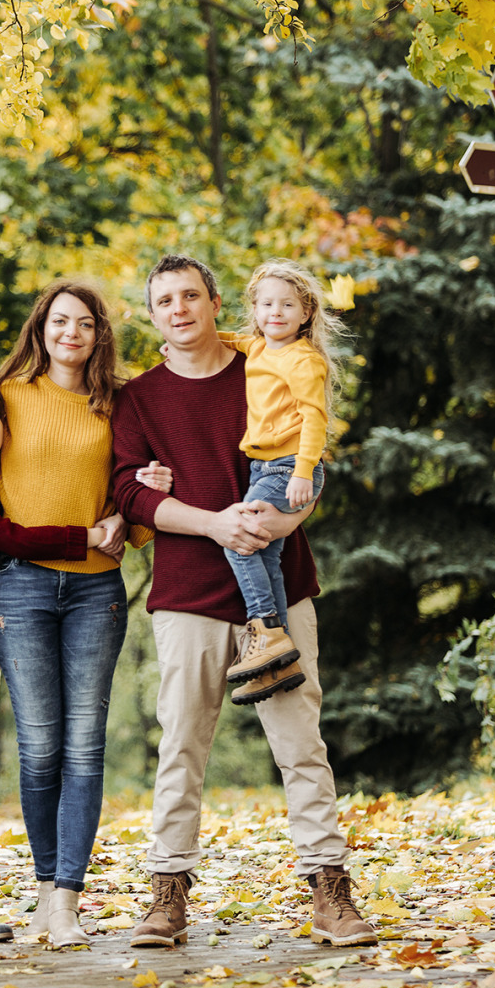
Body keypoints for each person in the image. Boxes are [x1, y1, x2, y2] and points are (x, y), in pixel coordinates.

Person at [111, 254, 376, 950]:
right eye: (164, 299)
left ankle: (330, 889)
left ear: (215, 302)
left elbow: (305, 468)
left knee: (300, 745)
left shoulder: (266, 363)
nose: (178, 308)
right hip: (189, 596)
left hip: (282, 590)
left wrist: (281, 524)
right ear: (153, 314)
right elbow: (131, 495)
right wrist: (213, 523)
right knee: (182, 745)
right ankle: (167, 891)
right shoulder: (139, 399)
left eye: (190, 295)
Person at [0, 281, 142, 946]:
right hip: (20, 590)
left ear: (100, 334)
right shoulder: (8, 394)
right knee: (40, 747)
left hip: (97, 589)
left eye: (86, 323)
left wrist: (130, 512)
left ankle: (66, 901)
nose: (72, 332)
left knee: (85, 746)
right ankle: (41, 888)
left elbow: (130, 479)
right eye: (59, 320)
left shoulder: (116, 403)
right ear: (41, 328)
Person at [140, 259, 344, 705]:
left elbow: (315, 425)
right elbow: (128, 492)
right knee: (261, 548)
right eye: (267, 304)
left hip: (286, 470)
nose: (276, 312)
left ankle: (267, 629)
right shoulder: (257, 350)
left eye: (287, 304)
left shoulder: (297, 360)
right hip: (197, 582)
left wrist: (303, 482)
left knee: (242, 537)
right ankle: (276, 654)